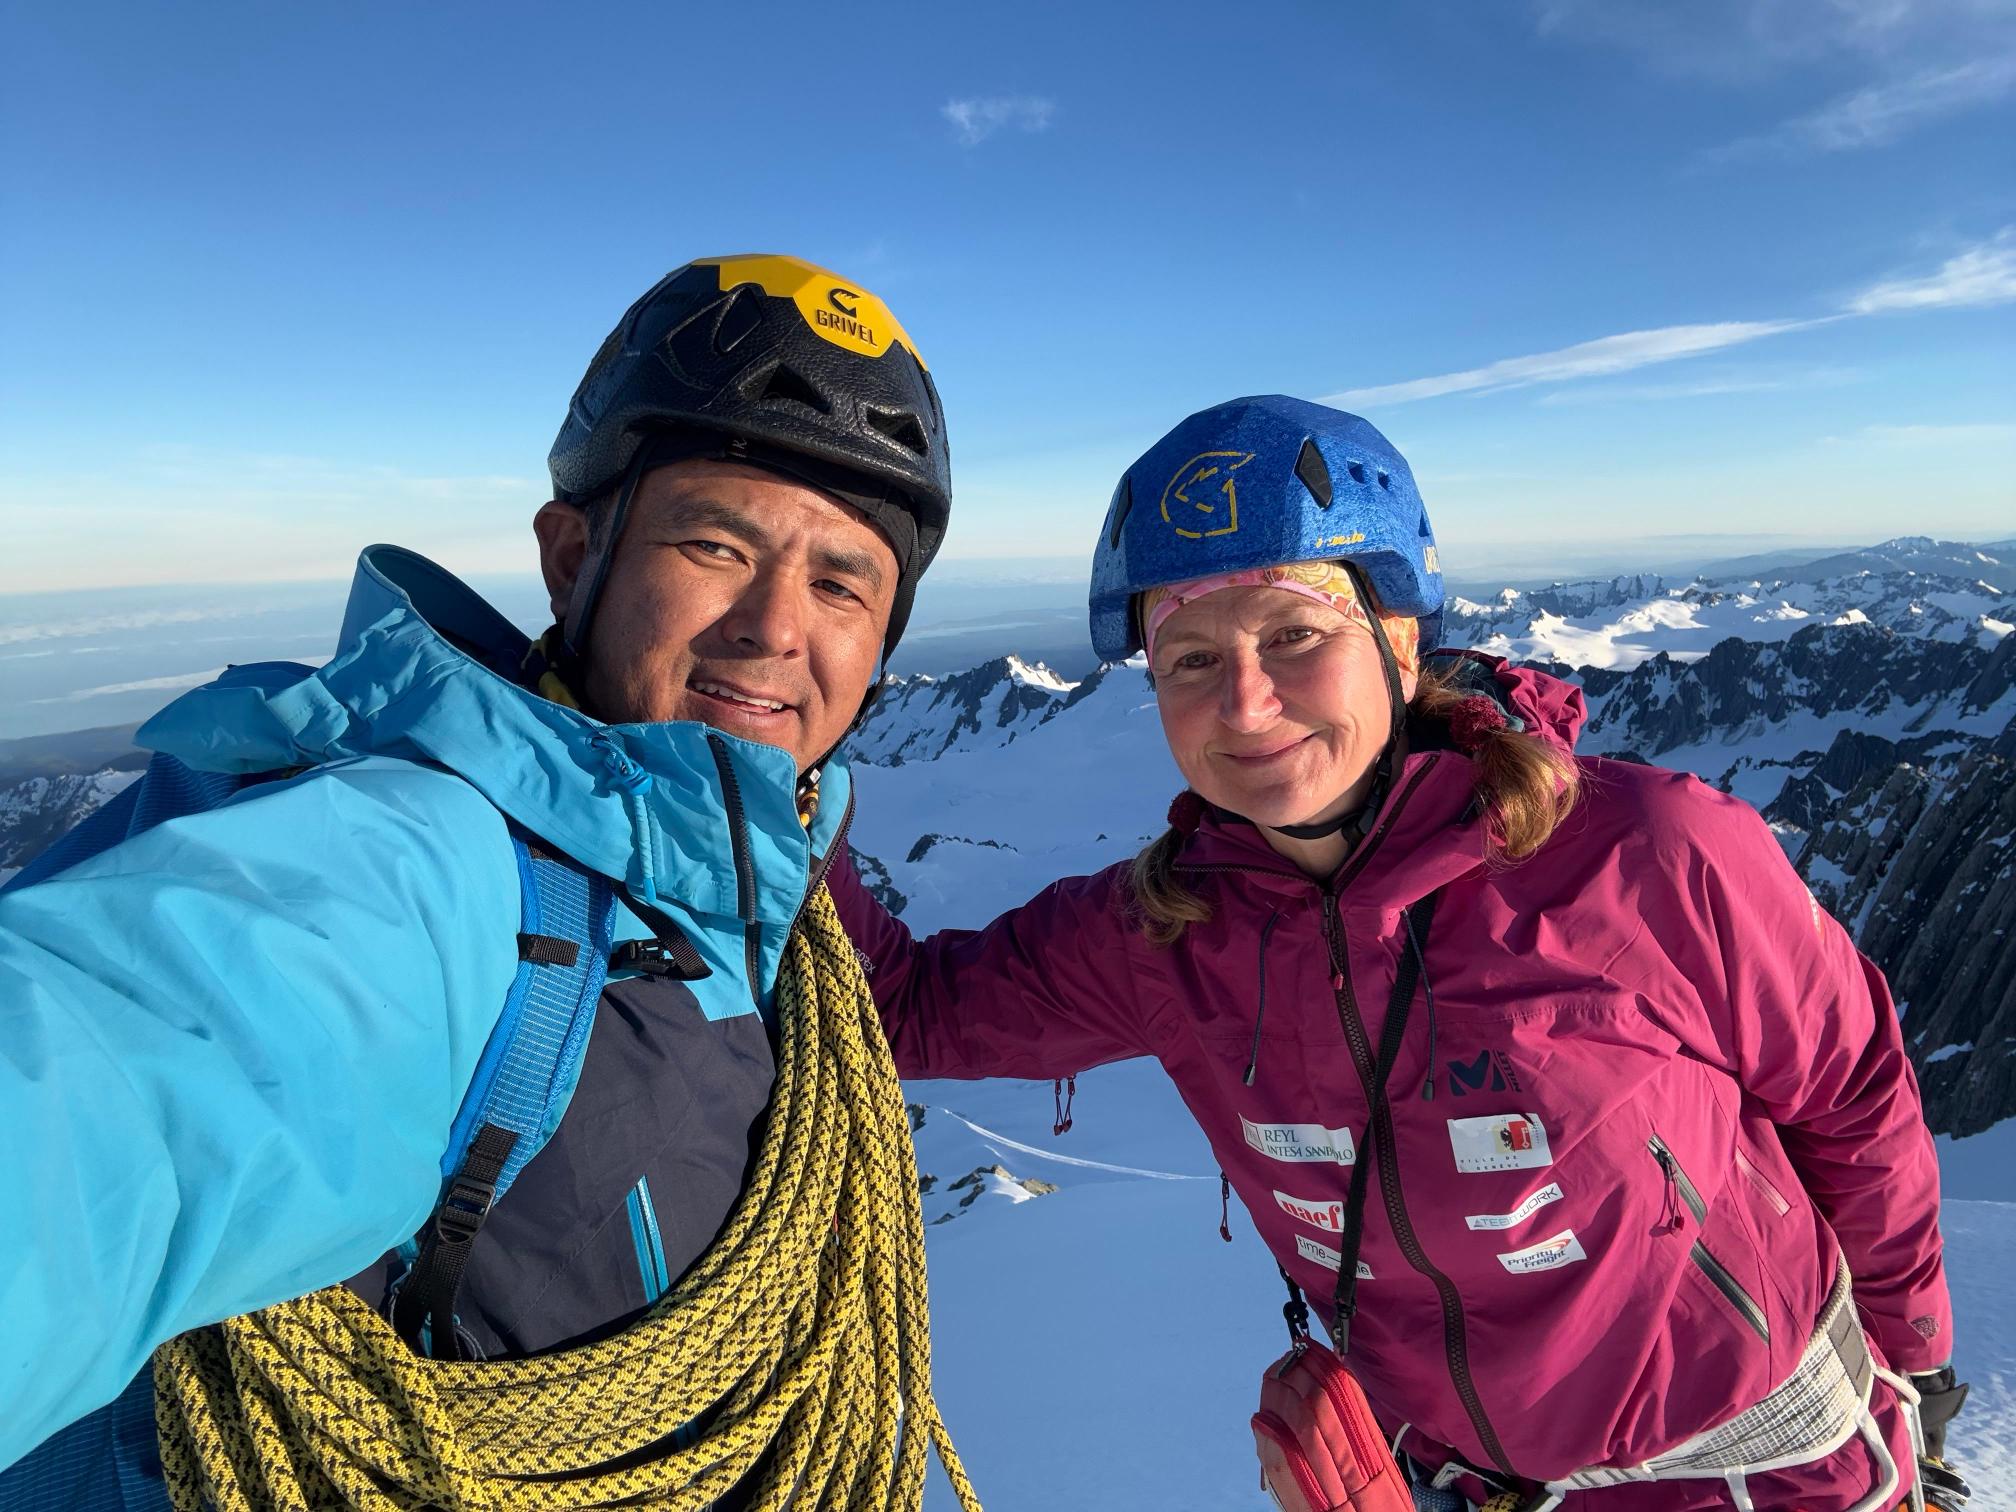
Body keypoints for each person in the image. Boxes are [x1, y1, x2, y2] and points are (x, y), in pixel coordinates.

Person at [830, 394, 1971, 1512]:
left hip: (1762, 1468)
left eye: (1295, 636)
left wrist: (1916, 1361)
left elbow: (1852, 1095)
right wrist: (782, 755)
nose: (1245, 703)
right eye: (1189, 660)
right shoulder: (1164, 933)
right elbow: (900, 1008)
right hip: (1456, 1483)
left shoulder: (1646, 853)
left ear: (1400, 638)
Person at [0, 254, 978, 1512]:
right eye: (714, 543)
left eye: (843, 583)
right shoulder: (421, 861)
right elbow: (109, 1094)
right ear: (573, 558)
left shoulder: (756, 898)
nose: (777, 626)